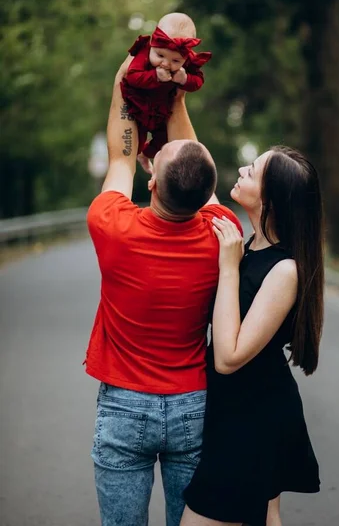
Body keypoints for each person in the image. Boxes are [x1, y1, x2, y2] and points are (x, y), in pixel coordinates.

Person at [84, 56, 241, 526]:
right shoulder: (223, 230)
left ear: (150, 181)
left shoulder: (112, 225)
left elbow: (120, 156)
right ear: (210, 193)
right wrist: (177, 98)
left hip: (124, 407)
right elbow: (193, 158)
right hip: (193, 406)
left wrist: (126, 79)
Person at [182, 146, 324, 526]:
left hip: (254, 419)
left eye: (254, 169)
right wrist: (175, 110)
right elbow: (198, 172)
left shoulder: (285, 270)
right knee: (264, 517)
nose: (242, 168)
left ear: (270, 200)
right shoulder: (250, 244)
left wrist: (228, 267)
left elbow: (228, 358)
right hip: (241, 409)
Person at [120, 12, 211, 173]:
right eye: (160, 55)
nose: (166, 63)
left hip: (162, 110)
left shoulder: (186, 59)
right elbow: (132, 76)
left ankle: (145, 154)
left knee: (164, 141)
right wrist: (155, 76)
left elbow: (198, 82)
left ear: (185, 57)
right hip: (139, 104)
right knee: (134, 141)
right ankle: (128, 166)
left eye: (175, 61)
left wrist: (184, 79)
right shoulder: (145, 51)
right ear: (153, 44)